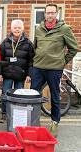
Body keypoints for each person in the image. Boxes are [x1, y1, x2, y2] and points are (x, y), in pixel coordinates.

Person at [31, 3, 78, 137]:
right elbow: (36, 46)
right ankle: (34, 122)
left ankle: (54, 122)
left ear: (56, 14)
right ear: (44, 14)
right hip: (38, 67)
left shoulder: (64, 29)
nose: (50, 15)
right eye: (48, 13)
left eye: (52, 13)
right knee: (34, 96)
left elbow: (74, 48)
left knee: (55, 96)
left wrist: (62, 61)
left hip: (54, 69)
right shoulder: (39, 28)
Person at [0, 19, 35, 123]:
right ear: (11, 29)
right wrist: (0, 73)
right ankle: (4, 114)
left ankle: (18, 114)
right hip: (7, 73)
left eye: (19, 28)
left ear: (23, 29)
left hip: (21, 74)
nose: (17, 29)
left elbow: (31, 61)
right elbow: (0, 59)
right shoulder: (5, 42)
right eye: (15, 27)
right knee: (6, 94)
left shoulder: (28, 43)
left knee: (19, 95)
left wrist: (29, 74)